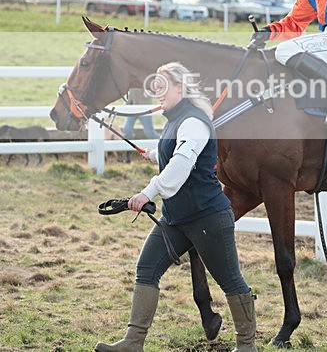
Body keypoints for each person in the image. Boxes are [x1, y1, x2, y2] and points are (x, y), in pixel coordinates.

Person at [95, 62, 257, 352]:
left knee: (230, 281)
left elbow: (183, 162)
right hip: (175, 218)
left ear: (180, 88)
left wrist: (148, 193)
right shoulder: (176, 120)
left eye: (163, 86)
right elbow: (175, 149)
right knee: (146, 269)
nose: (157, 92)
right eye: (155, 86)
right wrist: (155, 153)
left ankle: (247, 346)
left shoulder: (194, 120)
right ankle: (133, 343)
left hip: (207, 217)